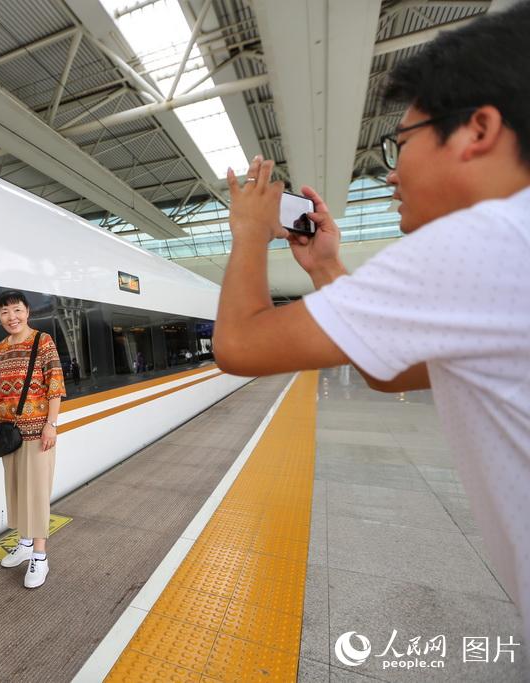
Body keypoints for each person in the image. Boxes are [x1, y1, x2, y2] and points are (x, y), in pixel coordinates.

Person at [212, 4, 530, 642]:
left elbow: (239, 343)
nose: (390, 172)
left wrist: (248, 233)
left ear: (478, 129)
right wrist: (327, 267)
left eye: (401, 144)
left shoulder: (481, 241)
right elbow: (394, 373)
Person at [0, 290, 66, 589]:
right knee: (17, 490)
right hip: (9, 434)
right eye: (5, 312)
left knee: (35, 493)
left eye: (17, 310)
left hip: (38, 432)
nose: (12, 317)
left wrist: (51, 425)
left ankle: (39, 556)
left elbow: (55, 386)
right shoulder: (0, 348)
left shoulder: (42, 341)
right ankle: (23, 543)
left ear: (28, 312)